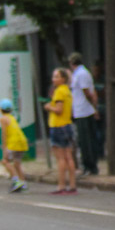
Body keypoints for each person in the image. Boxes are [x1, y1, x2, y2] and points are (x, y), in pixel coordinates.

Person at [44, 67, 76, 195]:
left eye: (56, 76)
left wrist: (48, 107)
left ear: (63, 79)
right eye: (53, 76)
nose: (54, 79)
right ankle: (72, 185)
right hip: (67, 125)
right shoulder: (67, 90)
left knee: (61, 158)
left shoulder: (59, 92)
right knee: (69, 157)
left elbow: (58, 109)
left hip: (58, 126)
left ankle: (61, 185)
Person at [69, 52, 100, 175]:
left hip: (84, 111)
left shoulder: (81, 74)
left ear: (72, 63)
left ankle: (90, 166)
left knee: (86, 141)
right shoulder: (80, 73)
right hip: (81, 111)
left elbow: (87, 92)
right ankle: (88, 165)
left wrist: (93, 107)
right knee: (85, 141)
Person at [0, 98, 28, 192]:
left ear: (0, 109)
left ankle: (16, 180)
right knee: (17, 163)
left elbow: (4, 133)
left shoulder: (3, 119)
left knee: (5, 161)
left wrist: (4, 148)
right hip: (22, 141)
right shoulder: (12, 117)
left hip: (13, 143)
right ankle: (23, 183)